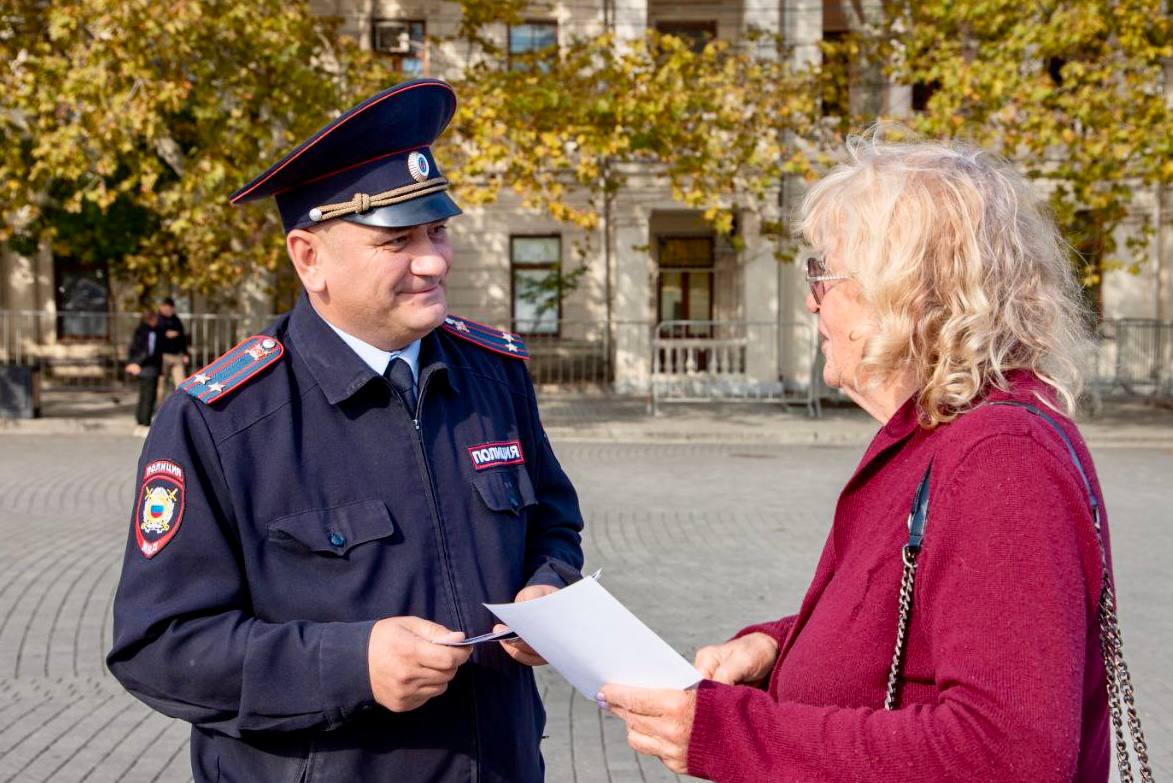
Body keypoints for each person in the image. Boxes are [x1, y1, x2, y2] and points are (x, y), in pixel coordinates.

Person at [107, 78, 585, 782]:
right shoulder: (223, 419)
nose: (434, 261)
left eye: (438, 230)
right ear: (309, 258)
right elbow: (159, 645)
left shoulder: (494, 375)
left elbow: (552, 519)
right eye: (397, 240)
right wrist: (349, 664)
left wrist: (547, 592)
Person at [601, 137, 1115, 781]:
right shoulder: (939, 432)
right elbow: (911, 629)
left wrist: (730, 733)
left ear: (903, 294)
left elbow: (1006, 754)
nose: (813, 300)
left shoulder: (1002, 459)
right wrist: (777, 647)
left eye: (825, 274)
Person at [125, 309, 162, 432]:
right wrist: (137, 363)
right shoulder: (151, 332)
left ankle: (140, 421)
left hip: (141, 366)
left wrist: (132, 362)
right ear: (151, 319)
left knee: (143, 394)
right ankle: (145, 423)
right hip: (149, 367)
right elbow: (148, 351)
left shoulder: (139, 330)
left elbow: (133, 348)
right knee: (149, 395)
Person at [155, 296, 188, 396]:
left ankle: (180, 407)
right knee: (161, 384)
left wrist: (185, 354)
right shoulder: (157, 320)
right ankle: (160, 408)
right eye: (165, 308)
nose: (168, 310)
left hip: (177, 356)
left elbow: (183, 338)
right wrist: (165, 334)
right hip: (163, 356)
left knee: (181, 384)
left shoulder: (176, 320)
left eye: (170, 308)